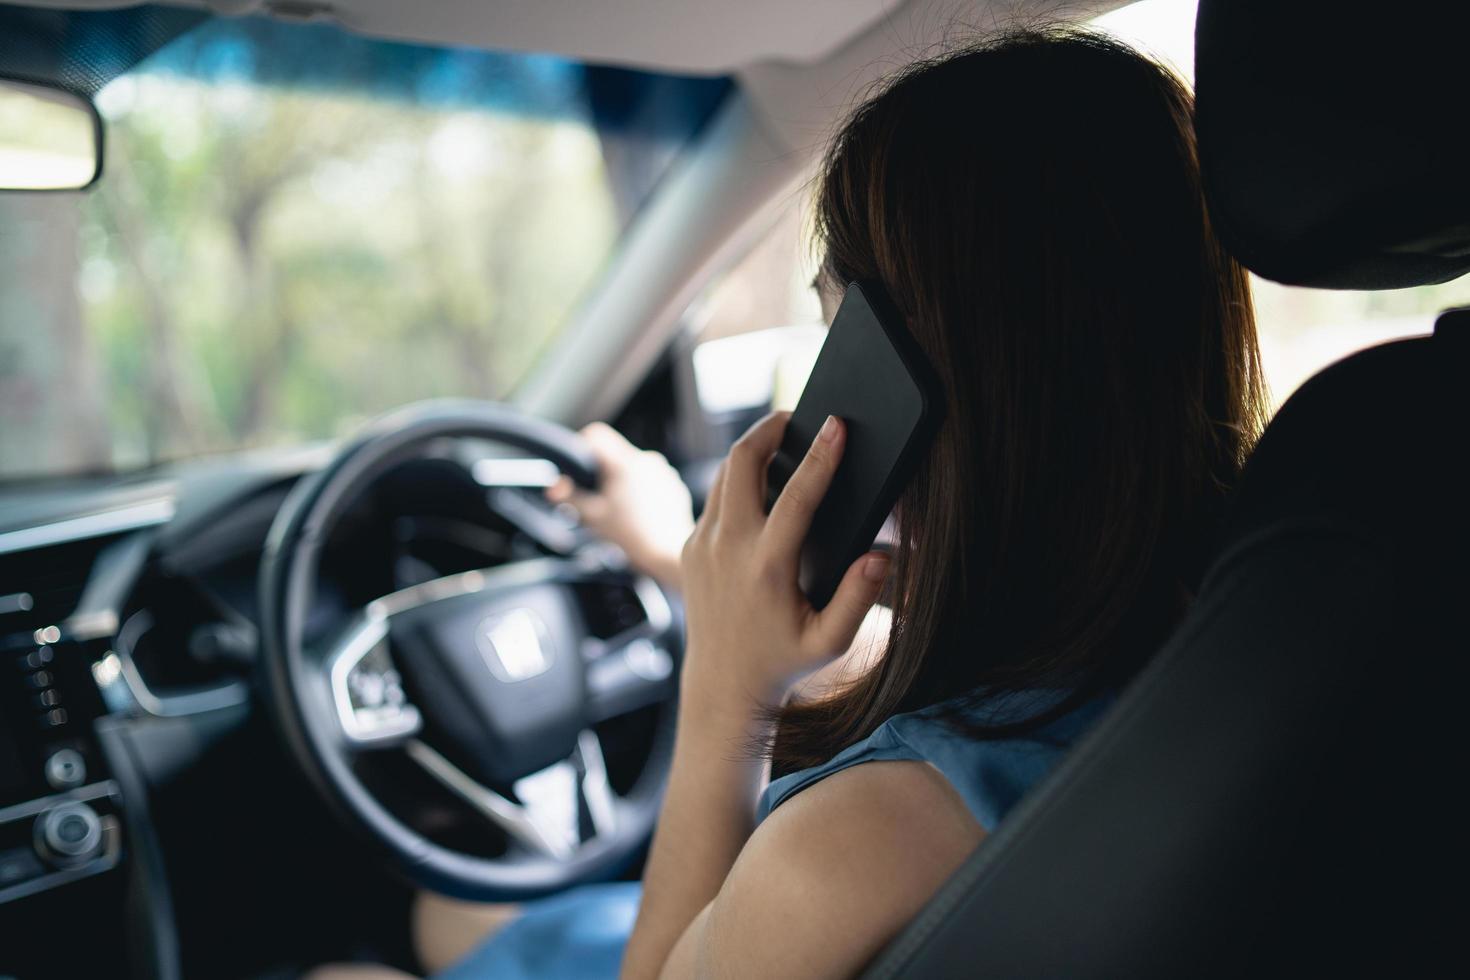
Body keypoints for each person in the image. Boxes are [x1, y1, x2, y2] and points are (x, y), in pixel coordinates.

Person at [314, 26, 1267, 979]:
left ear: (924, 398)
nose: (814, 402)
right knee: (454, 918)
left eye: (835, 335)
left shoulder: (846, 852)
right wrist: (683, 562)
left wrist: (727, 686)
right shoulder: (1263, 619)